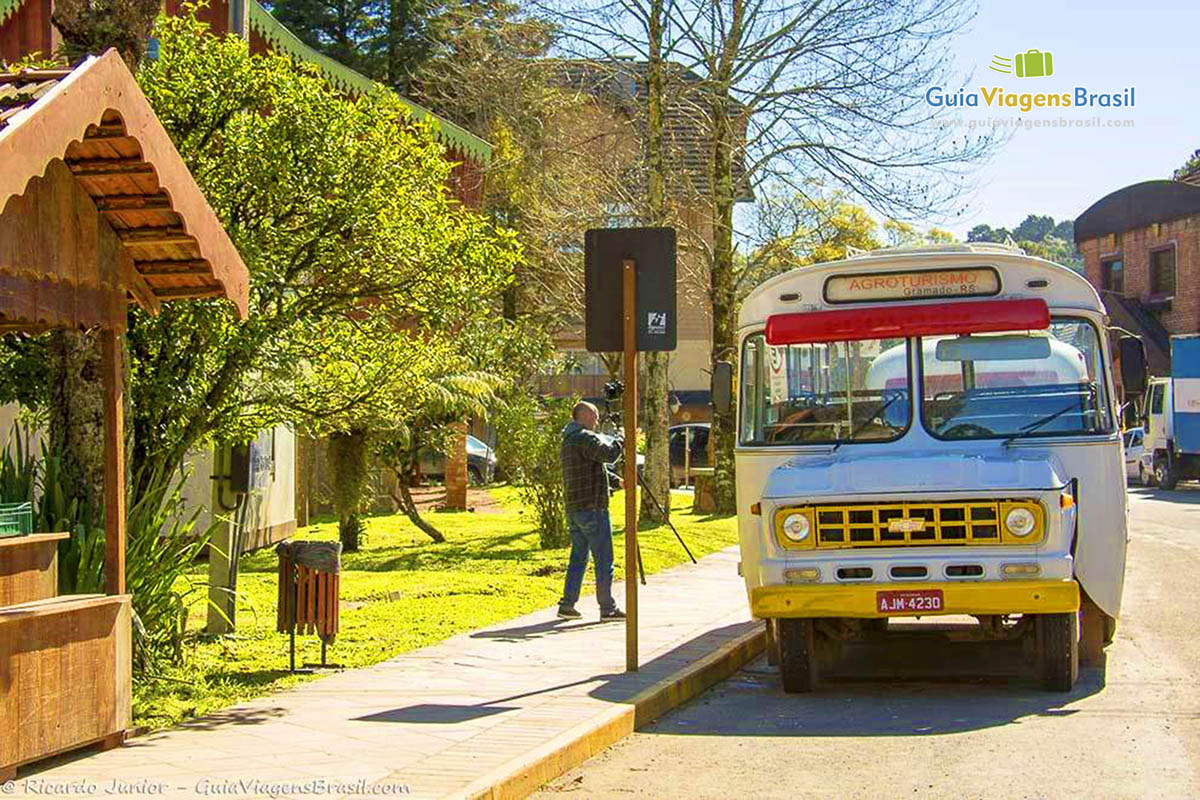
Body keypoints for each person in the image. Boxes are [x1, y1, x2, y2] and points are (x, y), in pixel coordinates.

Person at [557, 400, 626, 621]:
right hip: (593, 508)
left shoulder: (568, 440)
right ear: (584, 416)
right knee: (604, 559)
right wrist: (622, 440)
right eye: (594, 416)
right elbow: (609, 455)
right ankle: (607, 608)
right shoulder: (585, 438)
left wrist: (615, 482)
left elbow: (591, 467)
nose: (597, 421)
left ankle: (567, 605)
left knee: (578, 558)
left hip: (575, 508)